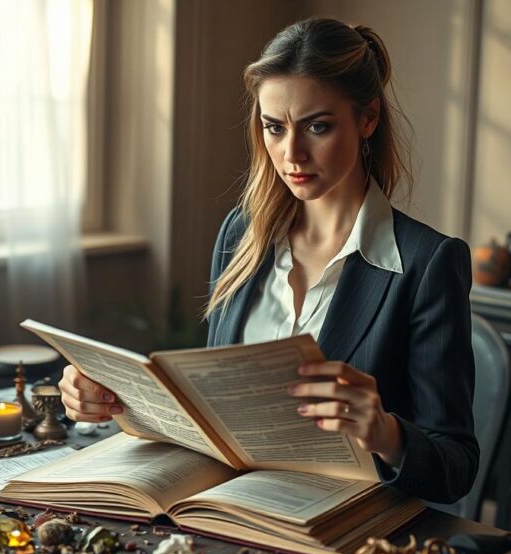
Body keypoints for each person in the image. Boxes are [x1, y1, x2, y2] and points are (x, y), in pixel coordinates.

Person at [59, 18, 477, 504]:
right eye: (274, 128)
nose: (292, 154)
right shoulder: (241, 234)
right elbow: (210, 409)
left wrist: (385, 432)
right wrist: (113, 396)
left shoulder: (428, 264)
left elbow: (456, 467)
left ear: (368, 119)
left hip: (345, 535)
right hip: (227, 514)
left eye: (317, 127)